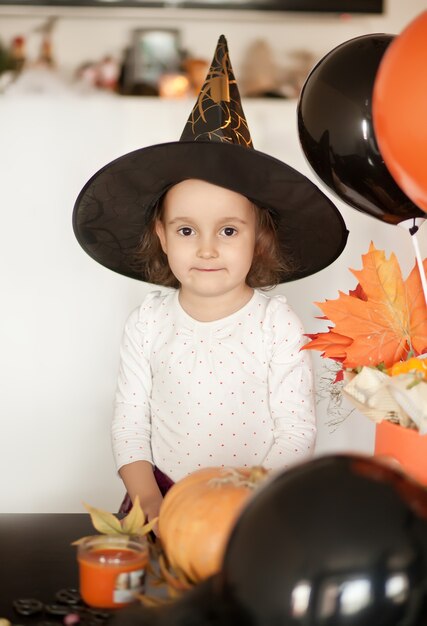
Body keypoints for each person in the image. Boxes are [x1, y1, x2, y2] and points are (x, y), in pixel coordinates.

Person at [73, 36, 348, 526]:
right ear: (161, 235)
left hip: (254, 504)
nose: (205, 248)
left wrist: (246, 499)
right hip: (163, 496)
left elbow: (295, 429)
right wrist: (148, 499)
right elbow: (131, 421)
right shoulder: (150, 322)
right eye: (185, 230)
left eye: (227, 230)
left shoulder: (273, 322)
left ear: (259, 236)